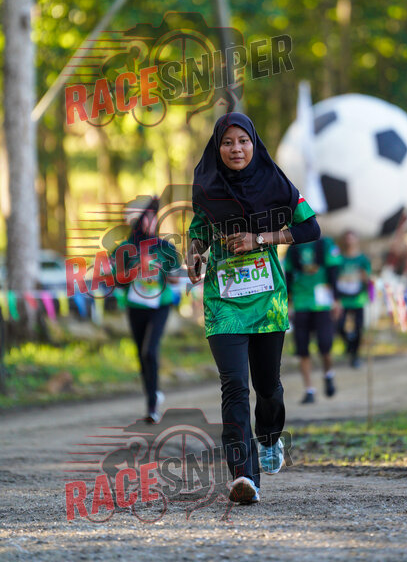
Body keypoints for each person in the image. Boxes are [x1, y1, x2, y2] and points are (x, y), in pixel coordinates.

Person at [186, 113, 320, 505]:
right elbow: (198, 233)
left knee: (268, 387)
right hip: (223, 305)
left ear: (254, 143)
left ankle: (270, 438)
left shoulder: (276, 185)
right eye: (227, 142)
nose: (236, 149)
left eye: (243, 141)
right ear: (217, 148)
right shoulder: (207, 189)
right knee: (234, 387)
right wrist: (194, 254)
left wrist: (260, 238)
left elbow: (310, 228)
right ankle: (244, 476)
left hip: (266, 302)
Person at [111, 196, 181, 423]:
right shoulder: (124, 249)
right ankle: (152, 395)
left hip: (160, 305)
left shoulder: (165, 247)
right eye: (146, 218)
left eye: (154, 218)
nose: (151, 223)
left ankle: (152, 406)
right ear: (137, 221)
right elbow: (116, 281)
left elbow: (175, 279)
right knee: (142, 355)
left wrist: (160, 270)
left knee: (150, 351)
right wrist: (136, 270)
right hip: (135, 306)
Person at [284, 236, 342, 403]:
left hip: (322, 303)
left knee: (325, 346)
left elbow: (333, 272)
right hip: (301, 303)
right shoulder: (292, 248)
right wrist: (288, 303)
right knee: (302, 349)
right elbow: (288, 276)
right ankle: (309, 390)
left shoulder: (326, 244)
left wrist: (336, 300)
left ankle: (328, 374)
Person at [336, 230, 371, 367]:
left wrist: (364, 277)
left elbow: (368, 278)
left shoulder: (362, 259)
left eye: (352, 238)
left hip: (358, 299)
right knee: (339, 326)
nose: (349, 241)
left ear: (357, 240)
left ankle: (355, 355)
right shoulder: (340, 259)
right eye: (347, 239)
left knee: (358, 328)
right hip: (343, 299)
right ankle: (349, 344)